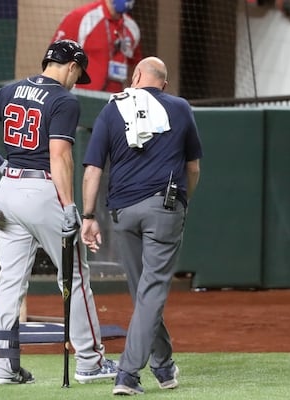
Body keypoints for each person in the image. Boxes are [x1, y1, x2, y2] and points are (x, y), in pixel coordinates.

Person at [0, 39, 117, 385]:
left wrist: (0, 165)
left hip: (8, 190)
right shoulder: (63, 99)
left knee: (10, 280)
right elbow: (60, 156)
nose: (77, 80)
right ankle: (90, 361)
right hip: (43, 191)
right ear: (72, 66)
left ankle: (5, 367)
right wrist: (70, 205)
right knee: (74, 278)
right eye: (79, 73)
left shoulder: (11, 90)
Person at [80, 56, 202, 395]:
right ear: (163, 83)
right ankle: (128, 374)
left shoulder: (111, 109)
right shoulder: (179, 108)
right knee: (150, 292)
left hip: (122, 212)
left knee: (143, 291)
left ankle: (163, 366)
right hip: (163, 208)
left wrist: (88, 217)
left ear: (135, 76)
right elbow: (192, 169)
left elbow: (92, 170)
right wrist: (183, 204)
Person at [51, 0, 142, 93]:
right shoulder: (81, 17)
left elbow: (134, 66)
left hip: (114, 100)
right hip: (81, 96)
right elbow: (55, 60)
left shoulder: (132, 28)